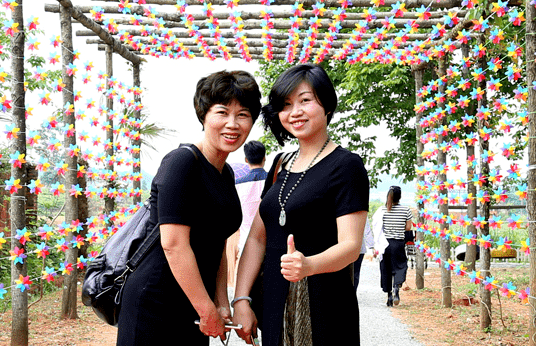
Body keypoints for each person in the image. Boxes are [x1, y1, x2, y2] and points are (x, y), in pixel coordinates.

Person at [116, 70, 261, 345]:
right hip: (156, 302)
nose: (232, 124)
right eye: (222, 112)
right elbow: (173, 245)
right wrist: (207, 310)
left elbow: (218, 243)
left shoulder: (226, 174)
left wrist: (220, 302)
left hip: (195, 304)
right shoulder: (181, 163)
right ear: (203, 116)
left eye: (242, 115)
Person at [232, 64, 369, 346]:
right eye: (286, 104)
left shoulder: (347, 166)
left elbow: (351, 245)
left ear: (326, 104)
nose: (295, 112)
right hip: (274, 299)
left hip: (323, 303)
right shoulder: (280, 163)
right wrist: (241, 298)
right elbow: (258, 237)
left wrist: (308, 265)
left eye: (305, 100)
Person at [226, 141, 269, 288]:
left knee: (246, 288)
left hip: (244, 242)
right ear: (265, 158)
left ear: (246, 160)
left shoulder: (236, 185)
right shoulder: (275, 182)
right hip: (272, 242)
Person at [378, 186, 413, 306]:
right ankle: (396, 289)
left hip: (385, 244)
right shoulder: (406, 210)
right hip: (398, 243)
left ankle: (389, 297)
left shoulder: (383, 209)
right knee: (400, 266)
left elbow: (378, 227)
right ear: (400, 196)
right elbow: (408, 228)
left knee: (386, 269)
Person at [353, 213, 376, 291]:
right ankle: (353, 295)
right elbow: (367, 230)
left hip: (344, 249)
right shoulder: (360, 211)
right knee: (355, 274)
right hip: (358, 249)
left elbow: (367, 230)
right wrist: (372, 246)